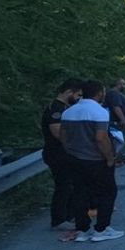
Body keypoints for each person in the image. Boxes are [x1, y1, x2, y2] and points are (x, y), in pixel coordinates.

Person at [61, 80, 123, 242]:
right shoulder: (99, 112)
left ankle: (82, 229)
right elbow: (101, 138)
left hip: (74, 160)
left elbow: (63, 136)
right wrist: (109, 158)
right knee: (107, 192)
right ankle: (101, 229)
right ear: (99, 93)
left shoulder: (68, 112)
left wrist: (71, 152)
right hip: (96, 160)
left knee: (80, 193)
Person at [41, 78, 83, 228]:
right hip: (57, 154)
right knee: (64, 186)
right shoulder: (56, 108)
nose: (79, 99)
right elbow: (57, 132)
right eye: (77, 95)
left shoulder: (65, 107)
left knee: (71, 184)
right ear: (68, 92)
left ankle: (70, 215)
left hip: (66, 153)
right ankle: (58, 220)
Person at [104, 78, 125, 158]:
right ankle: (119, 157)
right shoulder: (113, 93)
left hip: (121, 121)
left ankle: (121, 156)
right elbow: (116, 106)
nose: (124, 86)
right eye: (123, 84)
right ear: (118, 84)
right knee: (123, 139)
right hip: (118, 122)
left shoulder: (116, 93)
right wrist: (122, 119)